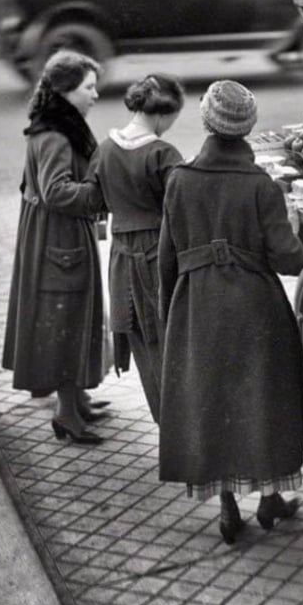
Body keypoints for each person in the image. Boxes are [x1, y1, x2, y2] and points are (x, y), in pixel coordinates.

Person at [157, 80, 303, 543]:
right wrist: (293, 224)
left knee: (215, 405)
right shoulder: (261, 186)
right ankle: (271, 498)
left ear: (207, 122)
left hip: (197, 306)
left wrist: (172, 314)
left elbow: (166, 259)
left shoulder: (179, 180)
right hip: (256, 307)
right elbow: (288, 259)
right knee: (264, 401)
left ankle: (228, 506)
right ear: (246, 129)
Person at [2, 50, 107, 445]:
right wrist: (100, 192)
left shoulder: (57, 124)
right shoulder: (57, 135)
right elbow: (55, 191)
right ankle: (66, 416)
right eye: (88, 87)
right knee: (65, 320)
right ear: (65, 91)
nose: (96, 94)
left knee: (72, 316)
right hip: (58, 239)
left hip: (57, 236)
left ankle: (75, 397)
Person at [91, 74, 184, 423]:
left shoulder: (104, 149)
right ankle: (181, 425)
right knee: (170, 337)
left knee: (142, 341)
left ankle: (164, 419)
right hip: (158, 252)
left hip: (120, 257)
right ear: (163, 112)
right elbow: (181, 208)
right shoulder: (163, 153)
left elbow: (96, 199)